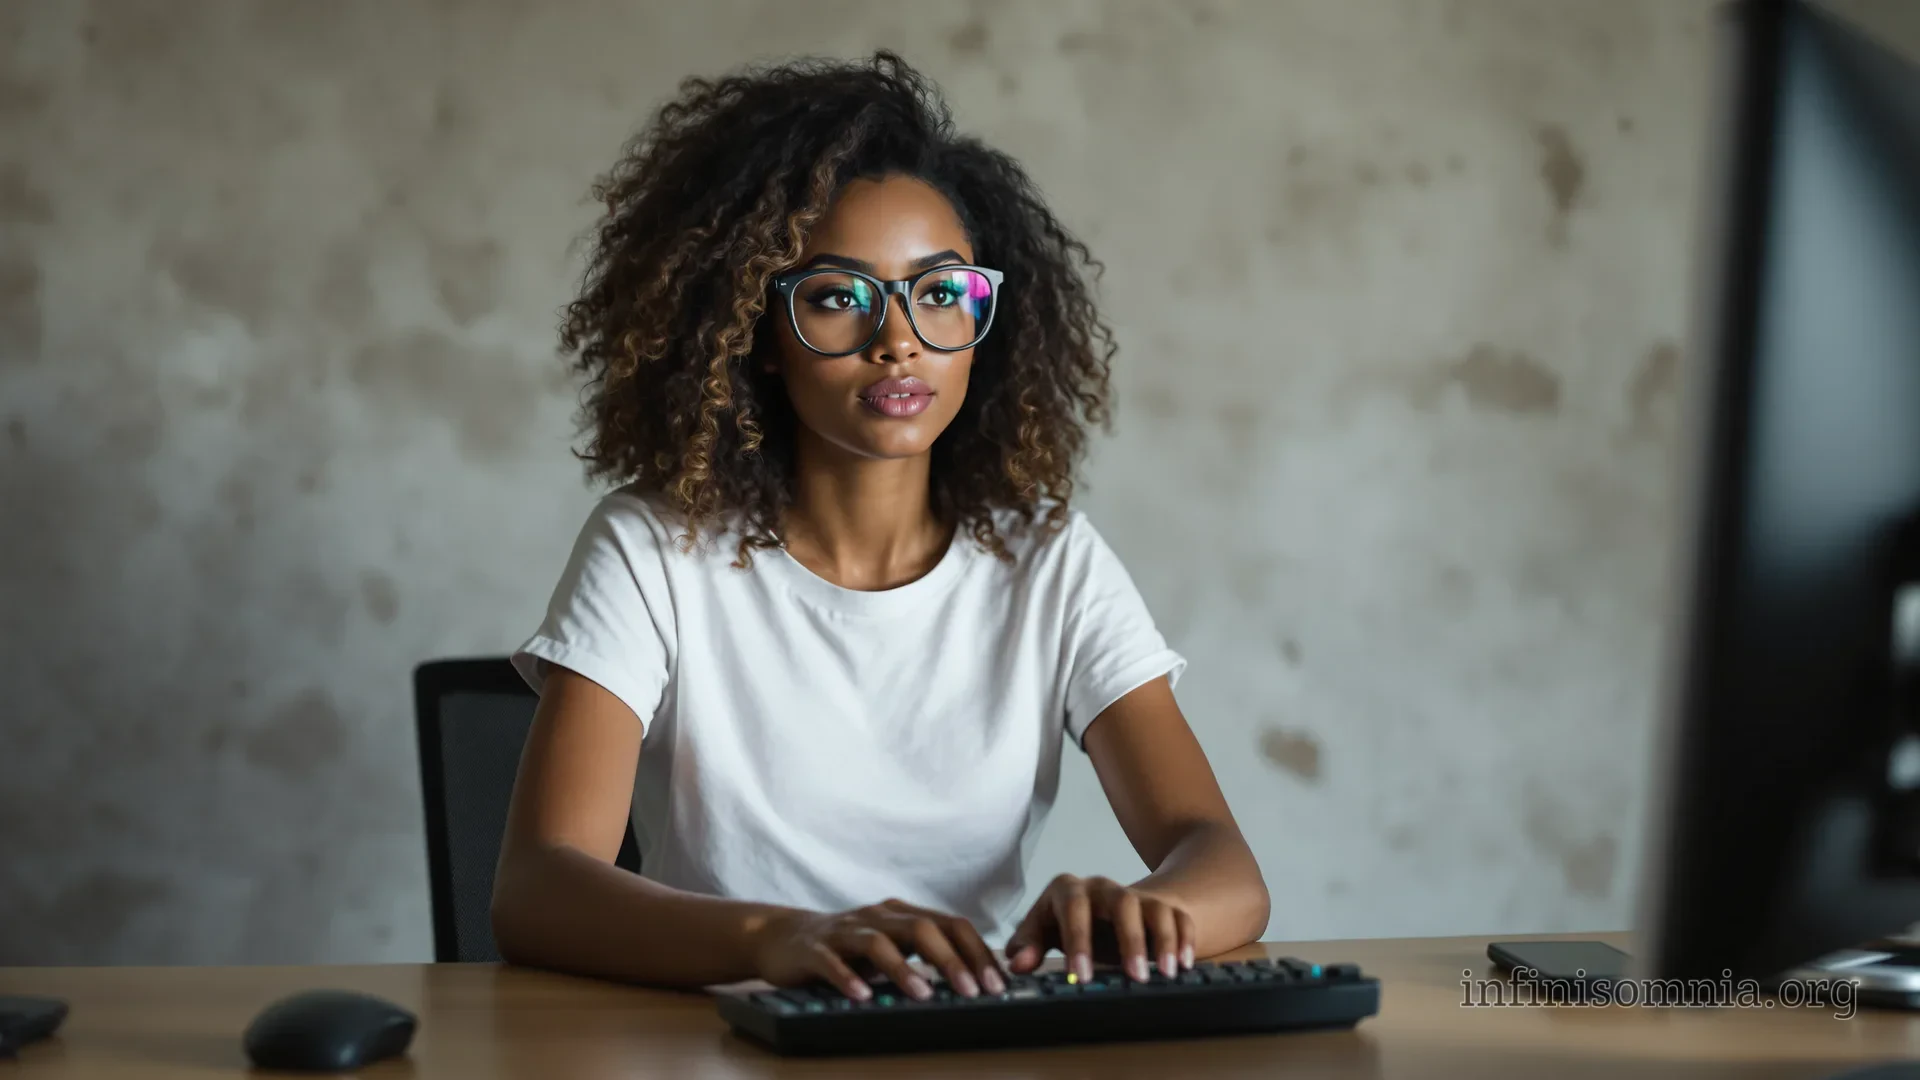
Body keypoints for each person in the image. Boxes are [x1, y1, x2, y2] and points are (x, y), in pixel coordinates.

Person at [491, 51, 1269, 1004]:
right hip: (725, 1044)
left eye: (940, 293)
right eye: (837, 297)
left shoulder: (1050, 565)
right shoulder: (653, 551)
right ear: (756, 334)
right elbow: (536, 890)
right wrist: (784, 938)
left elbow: (1222, 861)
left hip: (969, 1046)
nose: (898, 338)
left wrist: (1155, 917)